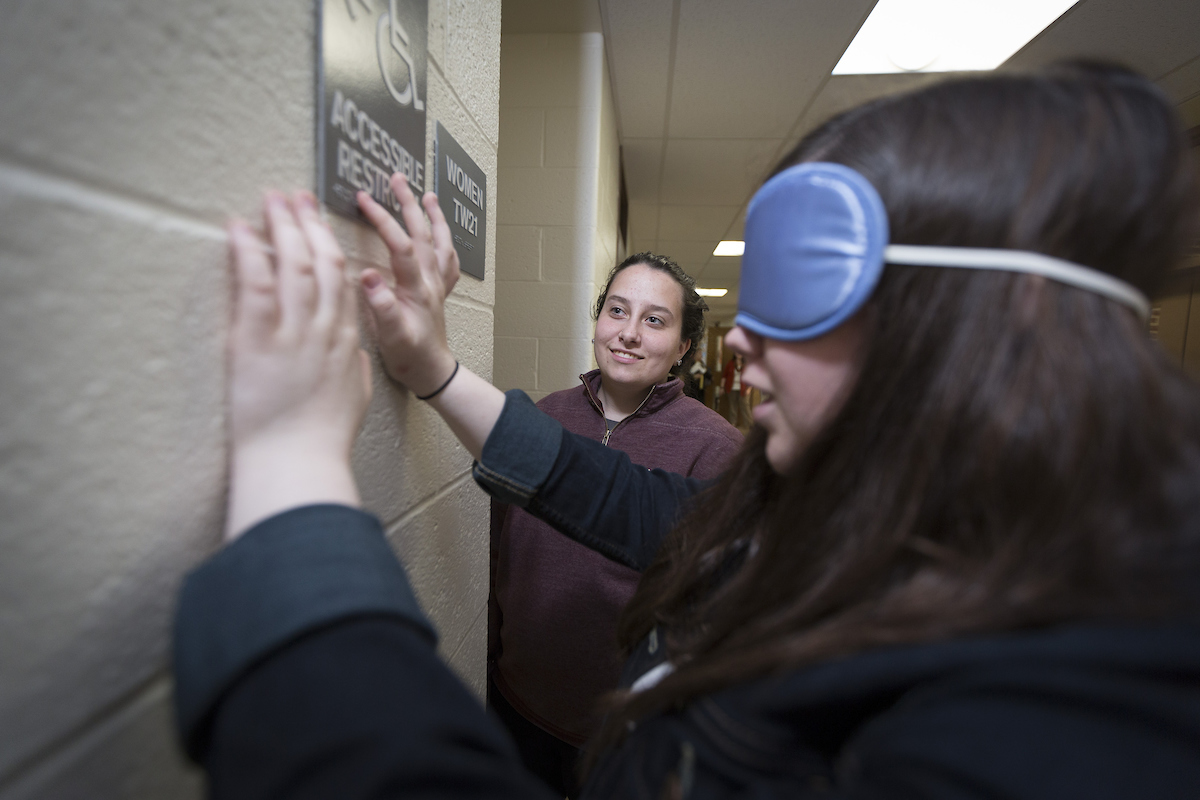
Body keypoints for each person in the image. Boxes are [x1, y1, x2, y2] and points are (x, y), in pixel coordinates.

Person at [174, 62, 1200, 798]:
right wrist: (434, 369)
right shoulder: (849, 514)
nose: (745, 338)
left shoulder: (1052, 726)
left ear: (961, 325)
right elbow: (620, 498)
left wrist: (293, 469)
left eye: (801, 291)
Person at [488, 254, 741, 796]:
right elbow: (497, 554)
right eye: (616, 310)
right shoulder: (544, 419)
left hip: (630, 737)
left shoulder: (716, 448)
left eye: (654, 320)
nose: (627, 334)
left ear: (683, 348)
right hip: (518, 706)